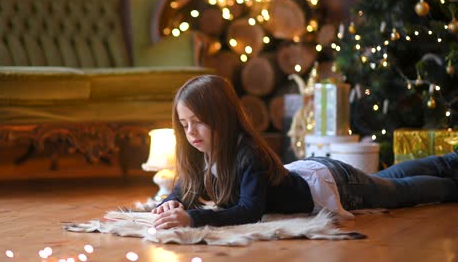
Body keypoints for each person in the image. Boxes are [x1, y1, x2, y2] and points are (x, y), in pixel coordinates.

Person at [151, 74, 458, 229]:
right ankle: (447, 161)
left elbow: (249, 210)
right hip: (310, 171)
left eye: (199, 122)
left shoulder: (247, 155)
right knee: (383, 180)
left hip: (332, 184)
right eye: (184, 124)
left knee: (396, 192)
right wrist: (171, 202)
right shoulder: (201, 152)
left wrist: (192, 219)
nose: (190, 132)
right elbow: (184, 187)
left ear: (222, 118)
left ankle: (451, 177)